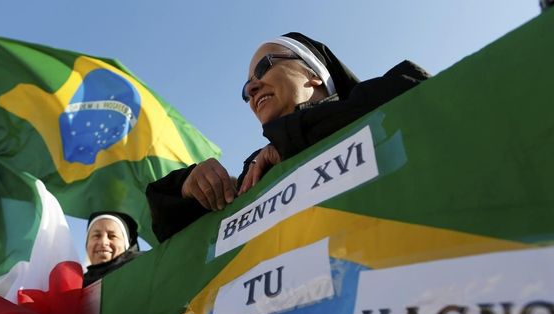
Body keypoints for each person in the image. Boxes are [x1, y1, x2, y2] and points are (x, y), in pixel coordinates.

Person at [146, 32, 430, 242]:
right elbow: (169, 235)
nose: (253, 88)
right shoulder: (256, 173)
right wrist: (188, 185)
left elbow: (418, 88)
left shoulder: (390, 98)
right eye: (246, 90)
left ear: (314, 75)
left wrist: (294, 141)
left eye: (263, 67)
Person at [83, 211, 141, 287]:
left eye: (112, 236)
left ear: (127, 244)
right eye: (96, 236)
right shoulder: (74, 284)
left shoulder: (143, 270)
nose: (103, 242)